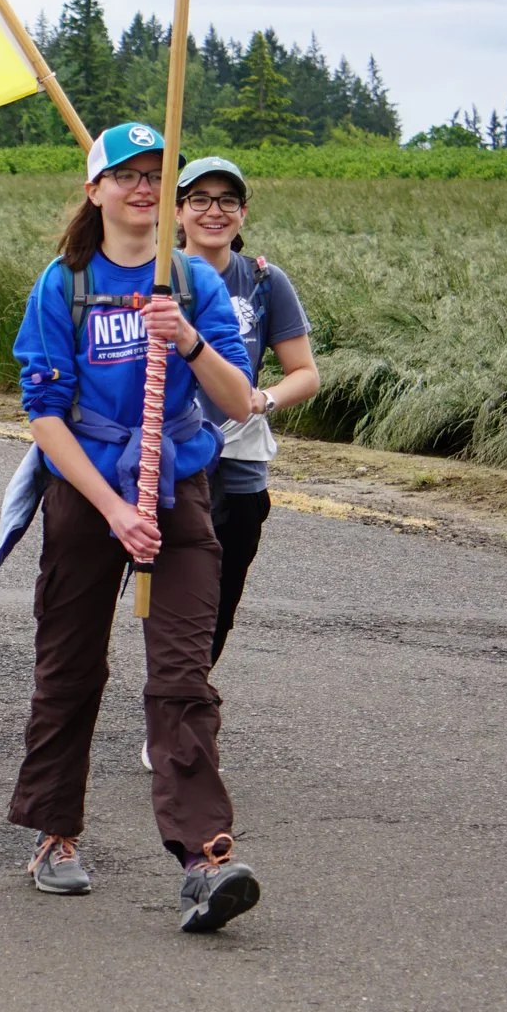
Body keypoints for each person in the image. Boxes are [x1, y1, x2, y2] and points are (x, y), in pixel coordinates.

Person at [0, 121, 261, 931]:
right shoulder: (63, 283)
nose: (144, 187)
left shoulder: (191, 281)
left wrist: (184, 338)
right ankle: (56, 832)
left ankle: (201, 856)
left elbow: (238, 399)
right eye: (127, 175)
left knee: (182, 676)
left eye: (156, 175)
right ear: (95, 189)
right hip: (88, 491)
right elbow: (42, 414)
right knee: (70, 665)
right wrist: (113, 509)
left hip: (178, 488)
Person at [175, 156, 320, 665]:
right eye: (199, 200)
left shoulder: (263, 281)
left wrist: (264, 398)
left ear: (243, 213)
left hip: (237, 459)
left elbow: (305, 372)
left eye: (227, 201)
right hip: (163, 454)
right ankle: (171, 687)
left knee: (219, 591)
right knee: (164, 587)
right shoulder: (151, 275)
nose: (214, 212)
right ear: (178, 211)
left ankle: (186, 690)